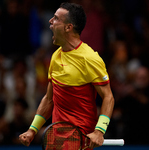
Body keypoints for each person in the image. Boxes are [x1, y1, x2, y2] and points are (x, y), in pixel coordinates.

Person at [19, 2, 114, 149]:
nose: (50, 21)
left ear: (68, 27)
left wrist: (99, 131)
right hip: (56, 139)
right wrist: (32, 130)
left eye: (56, 18)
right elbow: (49, 99)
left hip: (80, 139)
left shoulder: (89, 58)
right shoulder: (56, 56)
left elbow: (108, 97)